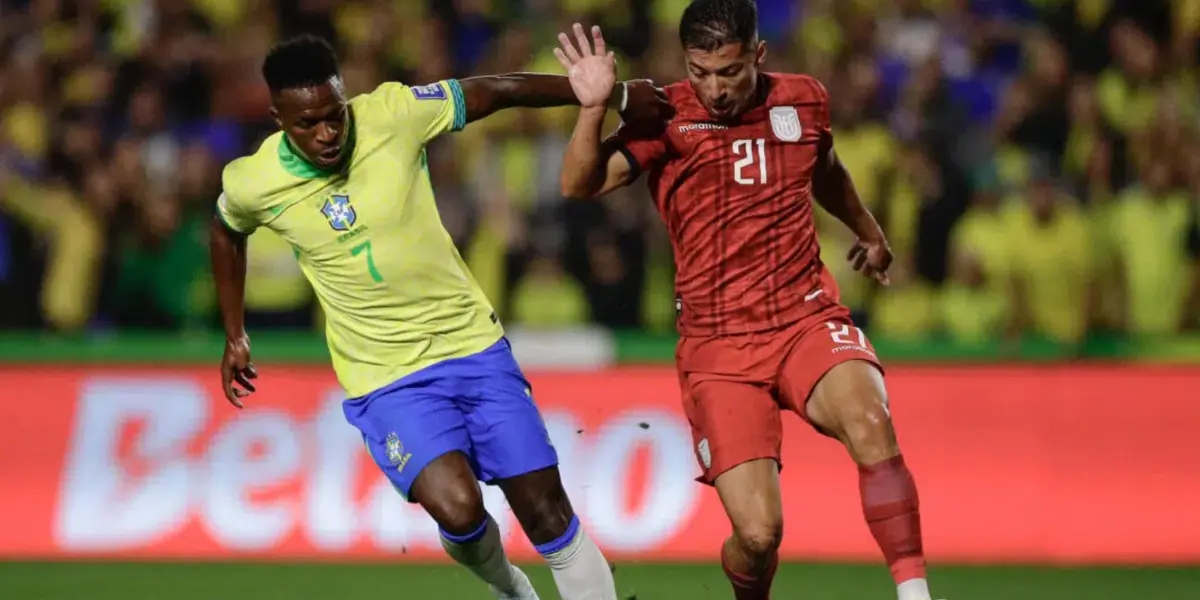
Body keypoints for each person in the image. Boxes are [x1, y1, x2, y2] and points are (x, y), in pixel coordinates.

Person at [210, 34, 668, 600]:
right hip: (385, 375)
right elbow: (227, 231)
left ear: (344, 96)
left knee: (546, 510)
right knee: (457, 509)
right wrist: (235, 332)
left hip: (471, 343)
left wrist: (612, 95)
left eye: (335, 116)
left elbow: (496, 90)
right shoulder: (252, 182)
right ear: (278, 117)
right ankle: (513, 589)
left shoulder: (393, 114)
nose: (327, 134)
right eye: (308, 125)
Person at [554, 2, 931, 599]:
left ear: (758, 55)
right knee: (758, 536)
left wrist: (868, 230)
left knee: (871, 423)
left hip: (804, 317)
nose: (714, 89)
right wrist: (593, 107)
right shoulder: (665, 115)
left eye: (728, 72)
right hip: (718, 348)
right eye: (699, 71)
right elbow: (578, 183)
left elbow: (825, 168)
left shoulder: (803, 100)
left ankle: (916, 596)